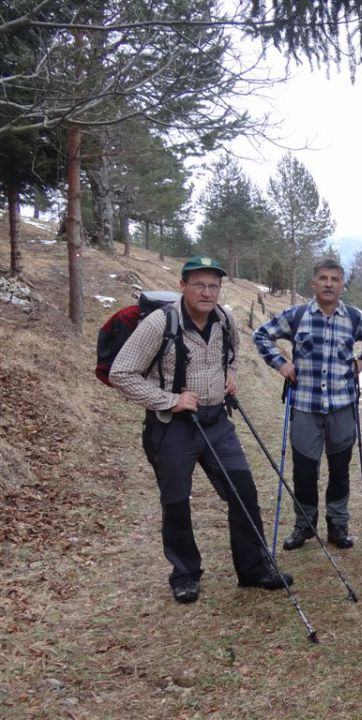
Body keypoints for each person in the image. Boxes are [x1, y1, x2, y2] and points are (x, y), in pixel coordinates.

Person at [110, 255, 293, 604]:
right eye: (199, 284)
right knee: (176, 501)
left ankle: (253, 569)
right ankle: (185, 574)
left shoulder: (224, 319)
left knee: (243, 492)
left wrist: (231, 375)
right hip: (171, 427)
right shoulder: (159, 324)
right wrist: (169, 399)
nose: (207, 292)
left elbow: (230, 356)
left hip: (217, 422)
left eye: (213, 285)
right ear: (183, 286)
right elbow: (122, 374)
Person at [253, 258, 362, 551]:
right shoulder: (297, 315)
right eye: (323, 278)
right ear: (313, 284)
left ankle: (338, 525)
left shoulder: (353, 317)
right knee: (304, 469)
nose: (328, 284)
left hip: (342, 405)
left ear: (342, 285)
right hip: (304, 405)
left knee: (340, 468)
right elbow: (261, 335)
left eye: (334, 279)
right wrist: (281, 364)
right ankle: (304, 525)